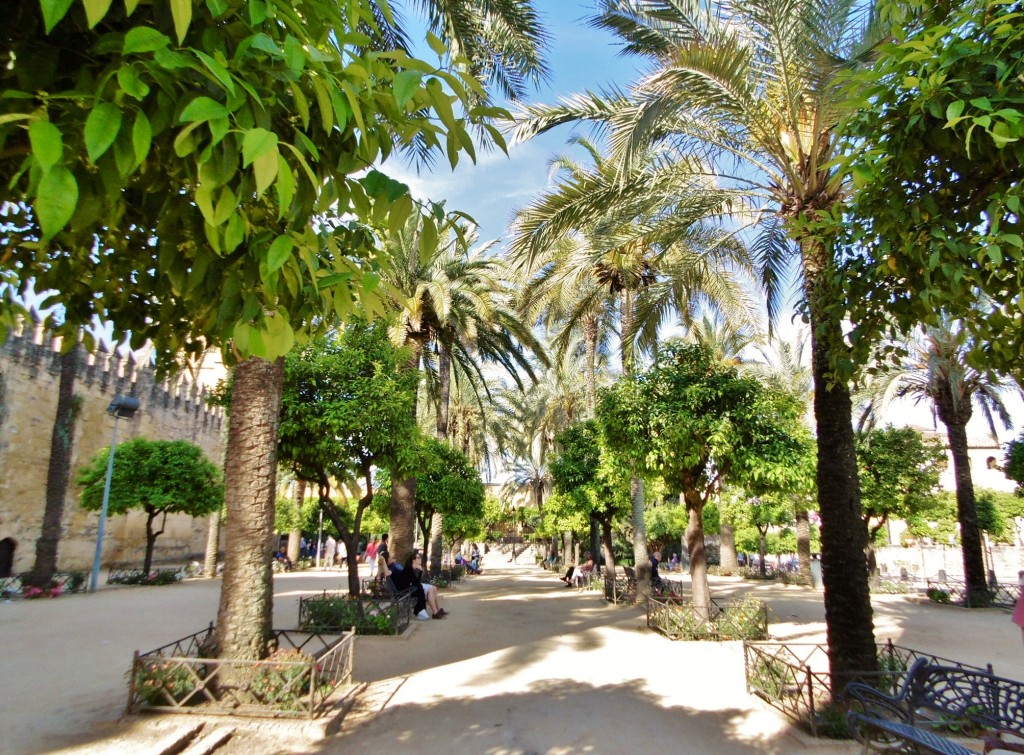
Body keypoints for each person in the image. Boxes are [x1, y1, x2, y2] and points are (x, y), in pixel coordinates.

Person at [406, 551, 448, 619]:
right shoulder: (410, 568)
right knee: (430, 589)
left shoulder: (417, 567)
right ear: (413, 560)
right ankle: (435, 612)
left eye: (420, 557)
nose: (420, 559)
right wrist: (420, 571)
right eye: (418, 557)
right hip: (413, 588)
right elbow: (415, 582)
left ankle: (438, 609)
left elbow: (417, 582)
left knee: (433, 587)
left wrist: (420, 570)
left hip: (417, 586)